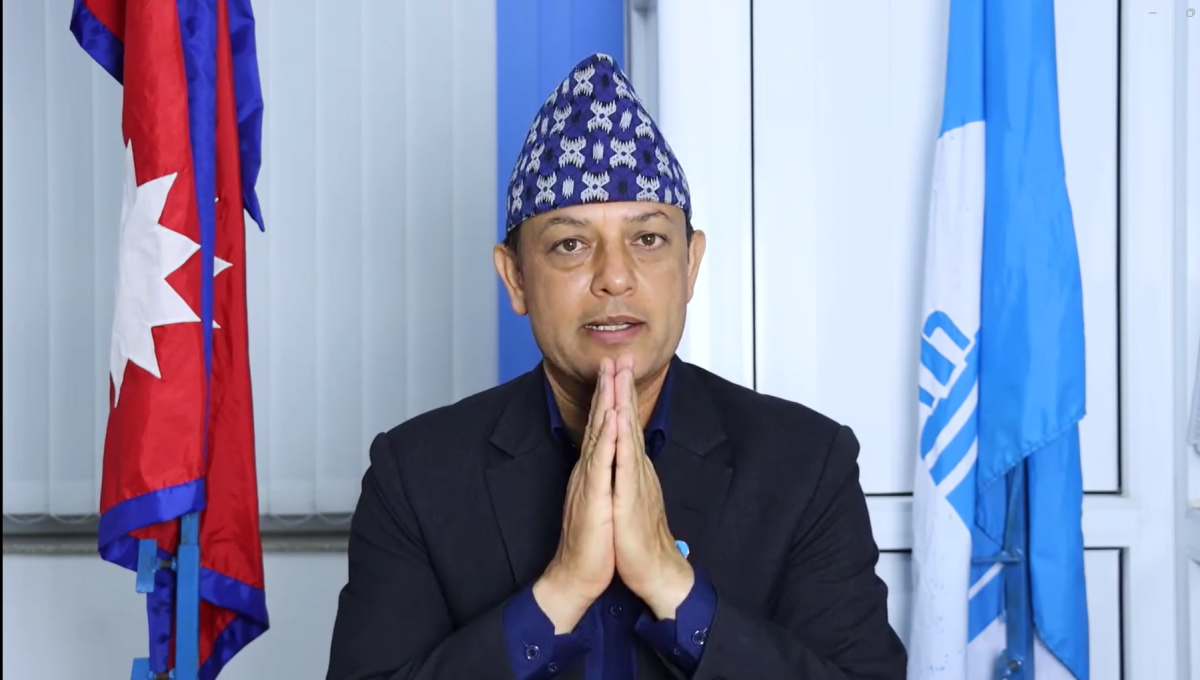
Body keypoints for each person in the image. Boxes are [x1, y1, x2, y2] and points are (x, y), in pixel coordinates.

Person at [326, 53, 906, 680]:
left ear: (691, 265)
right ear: (515, 277)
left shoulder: (805, 465)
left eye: (648, 239)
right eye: (571, 244)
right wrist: (559, 593)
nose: (615, 277)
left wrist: (673, 587)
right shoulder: (415, 477)